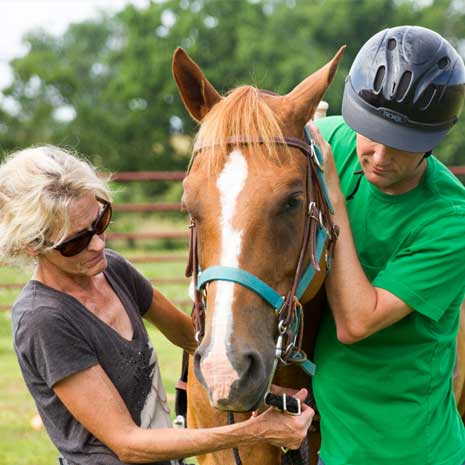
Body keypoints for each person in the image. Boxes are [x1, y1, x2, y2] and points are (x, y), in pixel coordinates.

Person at [1, 145, 314, 465]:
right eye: (75, 242)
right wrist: (255, 431)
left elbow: (188, 336)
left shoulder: (112, 269)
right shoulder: (44, 320)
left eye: (100, 221)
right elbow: (129, 443)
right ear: (31, 245)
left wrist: (259, 387)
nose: (98, 243)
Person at [307, 25, 465, 465]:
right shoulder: (333, 141)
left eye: (401, 146)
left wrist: (333, 198)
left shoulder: (451, 222)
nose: (378, 156)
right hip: (335, 445)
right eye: (370, 133)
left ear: (433, 141)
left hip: (407, 450)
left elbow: (356, 322)